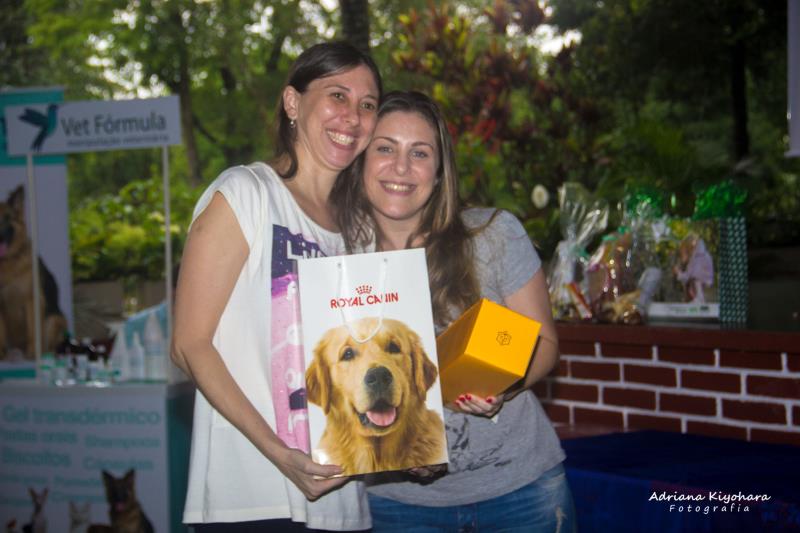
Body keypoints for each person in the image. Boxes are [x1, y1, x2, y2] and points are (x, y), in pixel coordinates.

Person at [332, 91, 577, 532]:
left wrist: (506, 386)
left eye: (419, 153)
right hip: (399, 507)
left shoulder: (492, 235)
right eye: (385, 148)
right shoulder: (337, 263)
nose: (401, 167)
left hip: (520, 493)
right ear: (360, 161)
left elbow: (544, 345)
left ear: (440, 171)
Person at [171, 41, 382, 531]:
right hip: (252, 498)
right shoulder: (246, 194)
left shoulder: (362, 232)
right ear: (292, 102)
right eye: (337, 95)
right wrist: (279, 453)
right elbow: (188, 344)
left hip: (343, 505)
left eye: (368, 104)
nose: (353, 117)